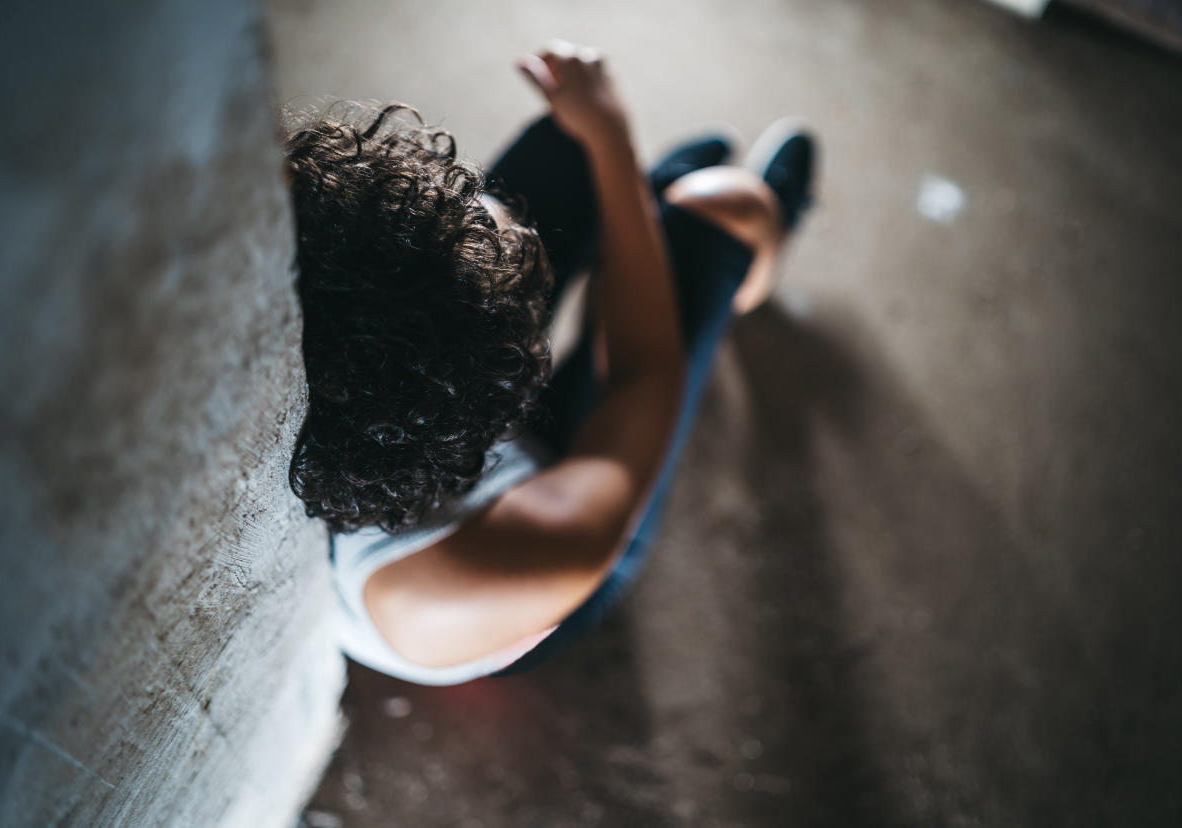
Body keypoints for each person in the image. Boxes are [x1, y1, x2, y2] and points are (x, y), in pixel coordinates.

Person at [283, 40, 816, 685]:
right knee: (727, 205)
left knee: (563, 147)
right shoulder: (460, 585)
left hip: (416, 433)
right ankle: (721, 245)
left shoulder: (306, 326)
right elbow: (641, 376)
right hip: (554, 528)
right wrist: (613, 141)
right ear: (512, 385)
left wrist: (593, 152)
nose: (495, 207)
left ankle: (647, 218)